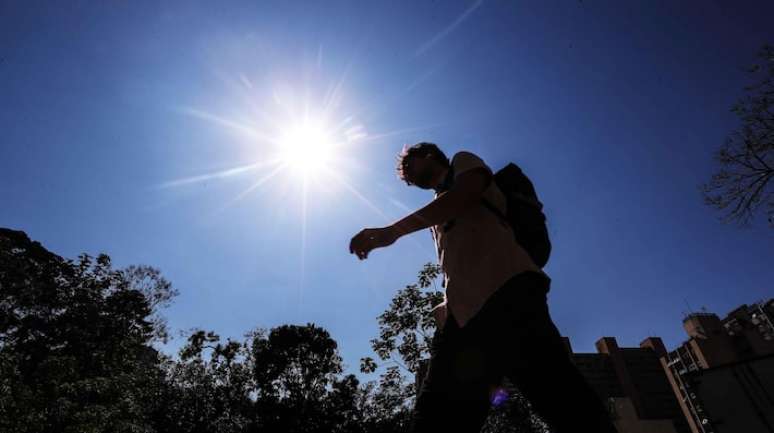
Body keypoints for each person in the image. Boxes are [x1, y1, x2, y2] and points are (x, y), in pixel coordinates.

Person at [349, 142, 617, 433]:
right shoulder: (436, 215)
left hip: (509, 295)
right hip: (462, 317)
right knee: (438, 416)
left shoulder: (463, 163)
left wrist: (392, 231)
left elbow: (466, 194)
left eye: (410, 168)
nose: (409, 179)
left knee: (565, 403)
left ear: (428, 156)